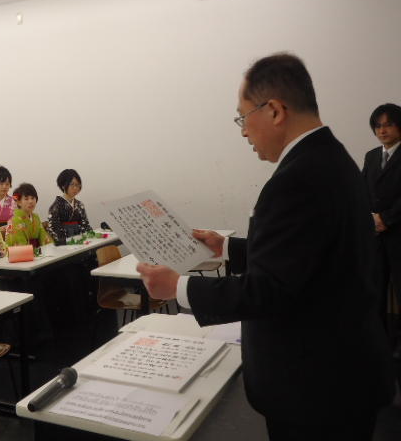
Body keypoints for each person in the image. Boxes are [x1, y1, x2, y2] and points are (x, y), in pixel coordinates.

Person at [137, 53, 394, 440]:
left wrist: (178, 287)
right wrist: (226, 247)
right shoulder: (331, 158)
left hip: (316, 389)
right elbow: (305, 255)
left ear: (274, 110)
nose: (243, 132)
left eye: (243, 117)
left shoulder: (297, 178)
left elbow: (269, 289)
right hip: (342, 372)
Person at [363, 103, 401, 358]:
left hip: (398, 233)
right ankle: (379, 344)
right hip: (375, 237)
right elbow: (361, 190)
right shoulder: (372, 156)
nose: (382, 130)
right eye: (378, 126)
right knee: (374, 290)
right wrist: (368, 218)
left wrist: (385, 219)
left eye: (388, 124)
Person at [47, 169, 92, 245]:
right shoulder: (55, 207)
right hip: (65, 244)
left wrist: (89, 236)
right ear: (63, 185)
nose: (75, 188)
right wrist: (69, 241)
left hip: (82, 241)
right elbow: (54, 230)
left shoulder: (79, 204)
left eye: (77, 185)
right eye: (72, 184)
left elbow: (85, 225)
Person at [5, 183, 52, 248]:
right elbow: (21, 246)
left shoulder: (35, 217)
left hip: (36, 251)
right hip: (21, 252)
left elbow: (43, 237)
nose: (30, 201)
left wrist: (50, 247)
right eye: (26, 199)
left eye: (32, 198)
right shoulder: (15, 220)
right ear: (19, 202)